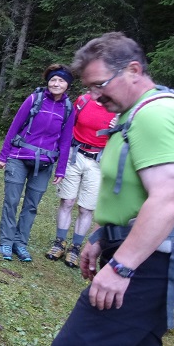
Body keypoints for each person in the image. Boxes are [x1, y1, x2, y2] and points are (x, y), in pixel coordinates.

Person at [23, 32, 174, 346]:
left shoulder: (155, 115)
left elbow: (168, 197)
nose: (93, 95)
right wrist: (101, 237)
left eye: (97, 85)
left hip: (148, 261)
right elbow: (132, 190)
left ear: (132, 71)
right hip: (142, 253)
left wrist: (123, 265)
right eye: (88, 87)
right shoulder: (139, 114)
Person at [0, 65, 75, 262]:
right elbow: (14, 127)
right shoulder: (34, 99)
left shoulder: (68, 108)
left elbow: (66, 141)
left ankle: (20, 243)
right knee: (12, 201)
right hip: (19, 157)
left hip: (45, 163)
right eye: (53, 80)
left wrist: (61, 169)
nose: (56, 84)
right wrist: (3, 155)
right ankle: (6, 241)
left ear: (67, 85)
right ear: (48, 82)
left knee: (31, 205)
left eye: (61, 81)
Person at [45, 93, 115, 269]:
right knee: (67, 201)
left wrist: (118, 128)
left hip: (99, 161)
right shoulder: (84, 100)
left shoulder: (119, 109)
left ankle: (75, 248)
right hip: (75, 155)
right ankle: (59, 243)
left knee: (86, 208)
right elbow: (69, 124)